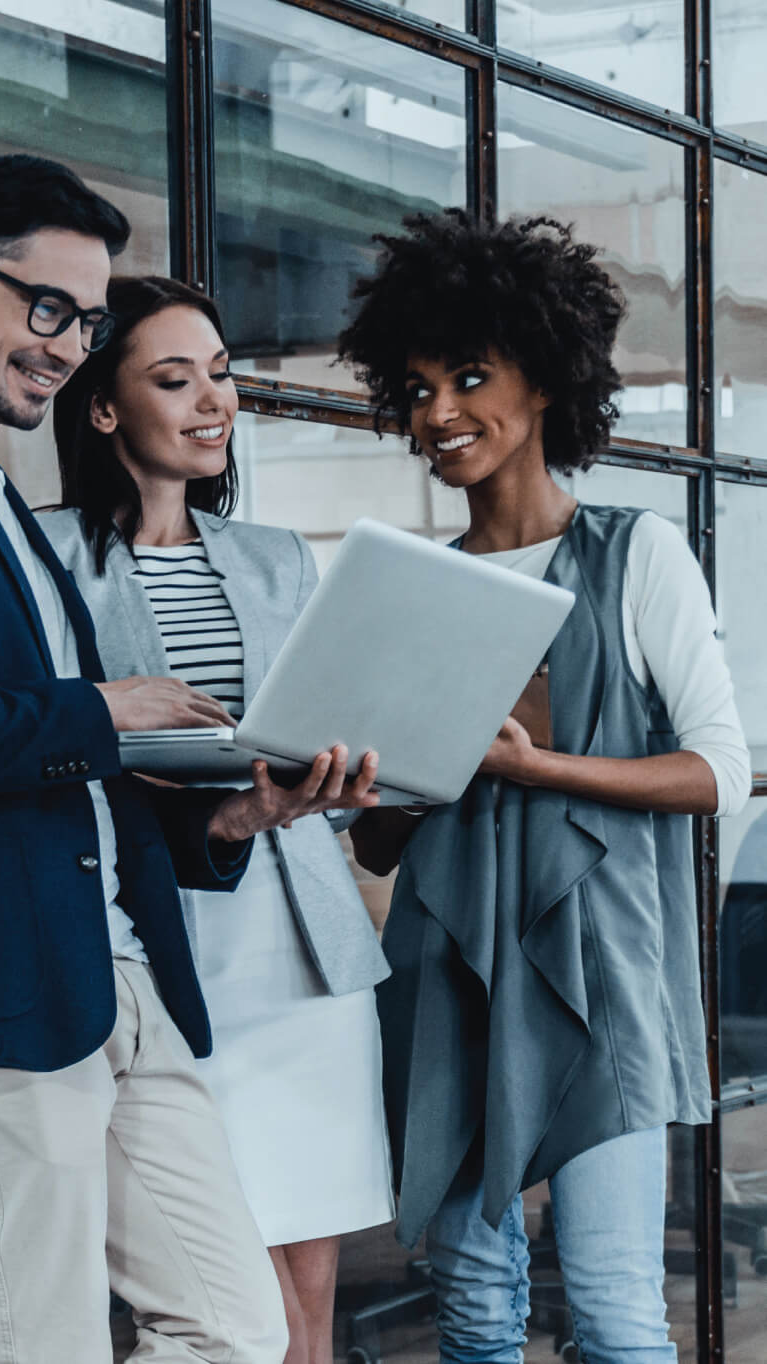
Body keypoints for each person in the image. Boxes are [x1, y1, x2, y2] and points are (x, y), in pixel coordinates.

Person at [0, 153, 383, 1364]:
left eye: (87, 319)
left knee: (230, 1324)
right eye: (44, 306)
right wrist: (100, 710)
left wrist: (233, 822)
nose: (63, 342)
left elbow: (67, 781)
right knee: (40, 1340)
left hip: (115, 974)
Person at [338, 210, 752, 1363]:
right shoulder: (415, 586)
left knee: (618, 1316)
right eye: (417, 388)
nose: (439, 413)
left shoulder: (637, 553)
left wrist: (533, 765)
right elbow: (382, 850)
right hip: (449, 970)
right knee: (473, 1312)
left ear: (547, 380)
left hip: (604, 974)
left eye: (469, 377)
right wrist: (385, 786)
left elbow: (717, 770)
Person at [41, 276, 395, 1364]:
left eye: (223, 373)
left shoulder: (278, 555)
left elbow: (315, 711)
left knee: (307, 1307)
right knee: (209, 1297)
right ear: (104, 407)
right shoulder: (48, 553)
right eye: (174, 377)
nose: (214, 400)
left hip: (306, 958)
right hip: (165, 946)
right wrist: (232, 806)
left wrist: (345, 767)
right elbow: (59, 748)